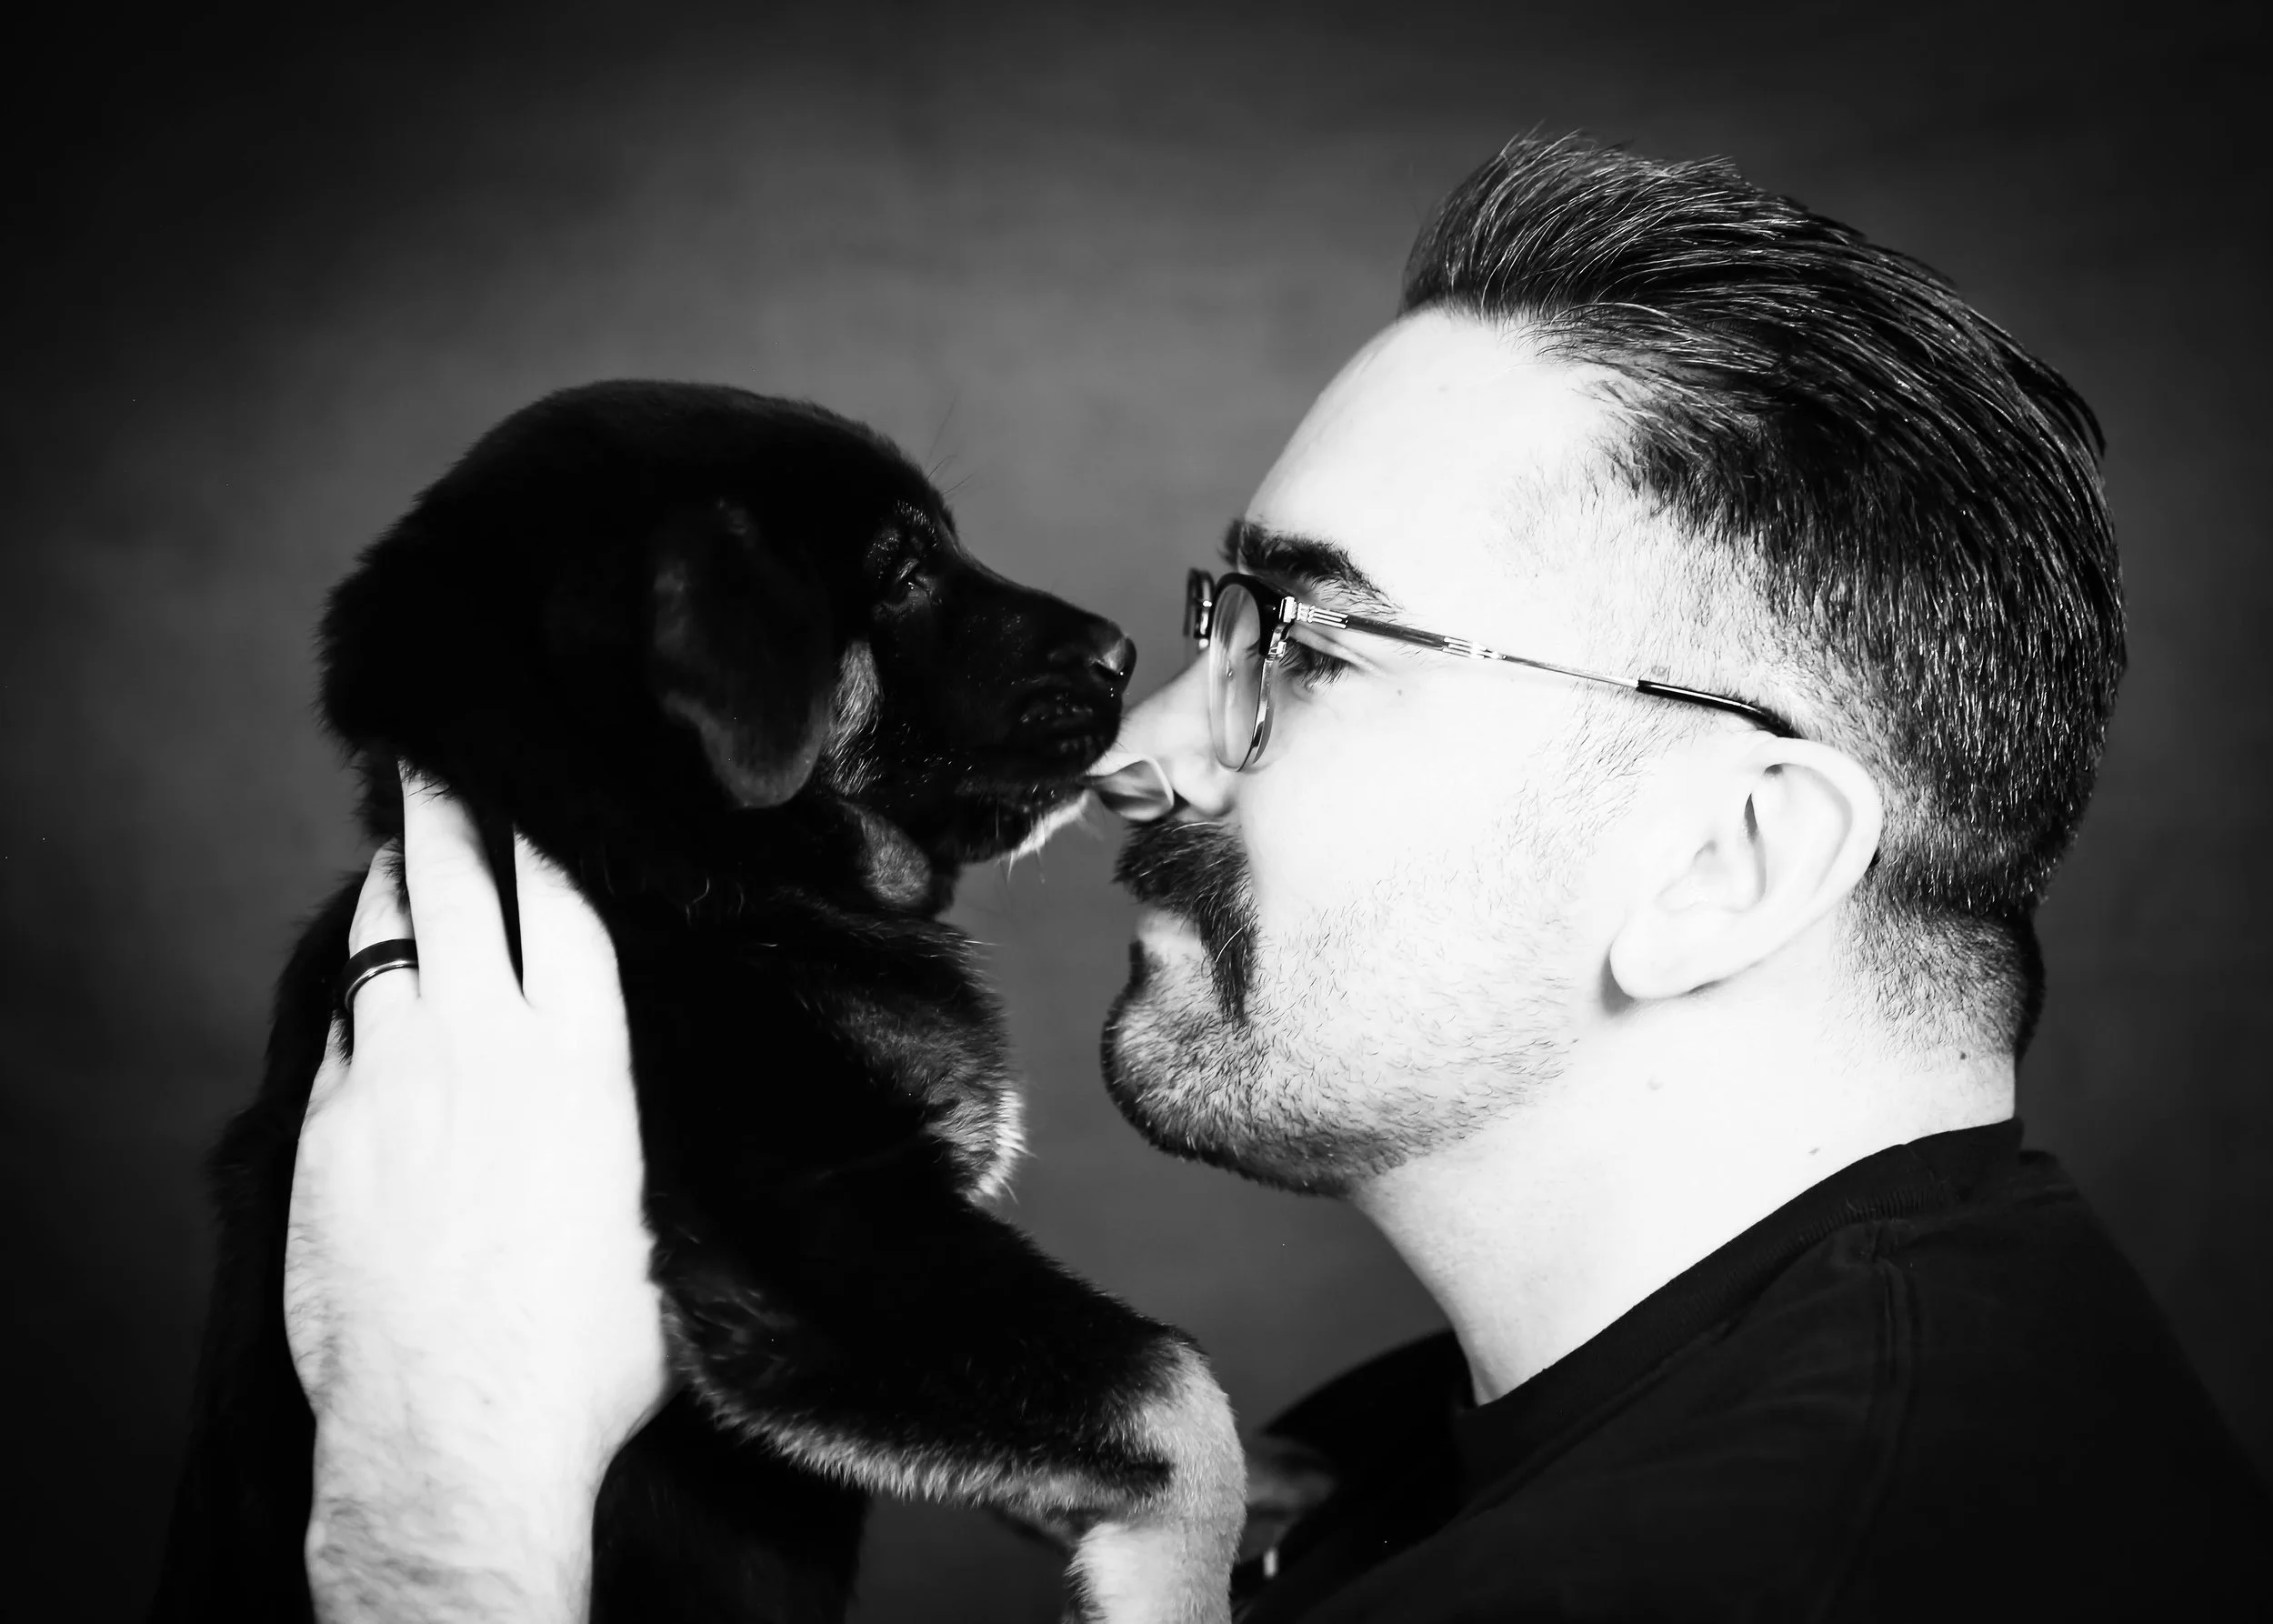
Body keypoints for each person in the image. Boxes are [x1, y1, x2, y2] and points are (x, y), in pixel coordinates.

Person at [282, 136, 2268, 1621]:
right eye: (1222, 621)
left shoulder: (1736, 1568)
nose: (1140, 740)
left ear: (1727, 853)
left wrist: (437, 1489)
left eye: (1313, 648)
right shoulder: (1466, 1441)